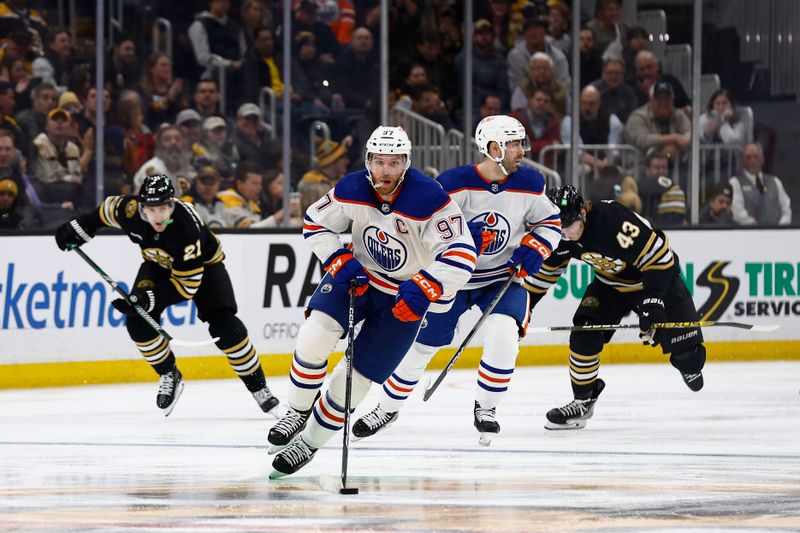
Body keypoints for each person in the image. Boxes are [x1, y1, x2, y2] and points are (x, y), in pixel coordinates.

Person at [267, 126, 477, 477]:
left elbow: (462, 252)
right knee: (314, 334)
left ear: (406, 164)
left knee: (356, 379)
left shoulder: (430, 198)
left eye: (394, 163)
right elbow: (315, 223)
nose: (385, 171)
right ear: (368, 161)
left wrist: (426, 285)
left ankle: (310, 443)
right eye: (379, 162)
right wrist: (338, 259)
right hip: (359, 280)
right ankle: (297, 411)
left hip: (405, 297)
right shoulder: (352, 187)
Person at [351, 115, 561, 444]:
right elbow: (424, 230)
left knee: (504, 334)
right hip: (451, 280)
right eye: (516, 144)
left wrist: (539, 244)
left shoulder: (531, 183)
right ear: (494, 148)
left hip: (499, 279)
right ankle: (387, 407)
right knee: (421, 347)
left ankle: (487, 407)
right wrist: (464, 238)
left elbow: (550, 221)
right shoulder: (453, 183)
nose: (523, 150)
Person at [54, 174, 281, 417]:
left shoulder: (186, 230)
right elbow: (103, 212)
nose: (158, 216)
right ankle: (168, 373)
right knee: (137, 321)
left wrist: (146, 298)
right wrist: (75, 229)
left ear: (172, 204)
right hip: (158, 264)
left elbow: (186, 287)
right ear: (141, 206)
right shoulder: (128, 210)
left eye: (163, 208)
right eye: (151, 209)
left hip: (204, 267)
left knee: (226, 327)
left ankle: (260, 389)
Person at [526, 185, 707, 431]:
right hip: (611, 285)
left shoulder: (612, 221)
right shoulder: (557, 234)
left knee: (691, 360)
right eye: (560, 229)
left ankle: (687, 361)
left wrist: (652, 304)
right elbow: (543, 277)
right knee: (584, 333)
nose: (566, 235)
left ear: (583, 212)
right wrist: (522, 309)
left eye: (569, 226)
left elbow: (661, 259)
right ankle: (583, 401)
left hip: (655, 280)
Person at [728, 143, 792, 226]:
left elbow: (786, 208)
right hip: (749, 234)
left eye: (755, 157)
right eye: (748, 157)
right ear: (742, 161)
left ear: (762, 159)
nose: (752, 161)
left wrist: (780, 228)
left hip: (777, 234)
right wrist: (758, 229)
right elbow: (737, 212)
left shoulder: (775, 181)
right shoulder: (734, 183)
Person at [591, 57, 638, 123]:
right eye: (610, 73)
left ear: (623, 75)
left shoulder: (629, 92)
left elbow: (633, 116)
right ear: (603, 73)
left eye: (617, 73)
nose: (613, 76)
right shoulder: (592, 90)